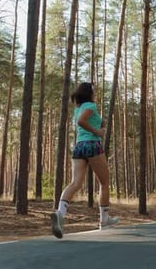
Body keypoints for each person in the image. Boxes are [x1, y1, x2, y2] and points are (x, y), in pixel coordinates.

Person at [51, 82, 119, 239]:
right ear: (90, 93)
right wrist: (97, 131)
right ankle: (104, 219)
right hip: (92, 145)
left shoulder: (78, 108)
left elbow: (83, 121)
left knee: (75, 183)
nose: (95, 93)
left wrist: (100, 124)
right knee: (104, 182)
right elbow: (81, 121)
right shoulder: (90, 105)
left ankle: (60, 214)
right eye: (94, 91)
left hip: (79, 146)